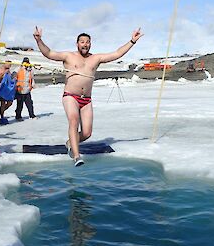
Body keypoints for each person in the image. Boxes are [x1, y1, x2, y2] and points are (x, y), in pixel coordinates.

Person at [33, 27, 143, 166]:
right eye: (82, 42)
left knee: (87, 133)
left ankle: (70, 142)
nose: (85, 44)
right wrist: (39, 40)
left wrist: (132, 41)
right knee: (73, 120)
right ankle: (76, 156)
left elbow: (117, 53)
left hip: (86, 99)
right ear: (77, 43)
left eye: (87, 42)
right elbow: (48, 53)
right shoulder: (68, 56)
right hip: (70, 96)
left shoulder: (95, 58)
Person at [14, 57, 37, 121]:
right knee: (19, 104)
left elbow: (31, 78)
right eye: (25, 62)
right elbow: (14, 74)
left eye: (27, 62)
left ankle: (32, 115)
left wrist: (33, 85)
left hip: (27, 89)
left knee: (29, 104)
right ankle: (18, 116)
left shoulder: (30, 70)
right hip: (20, 89)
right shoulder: (19, 68)